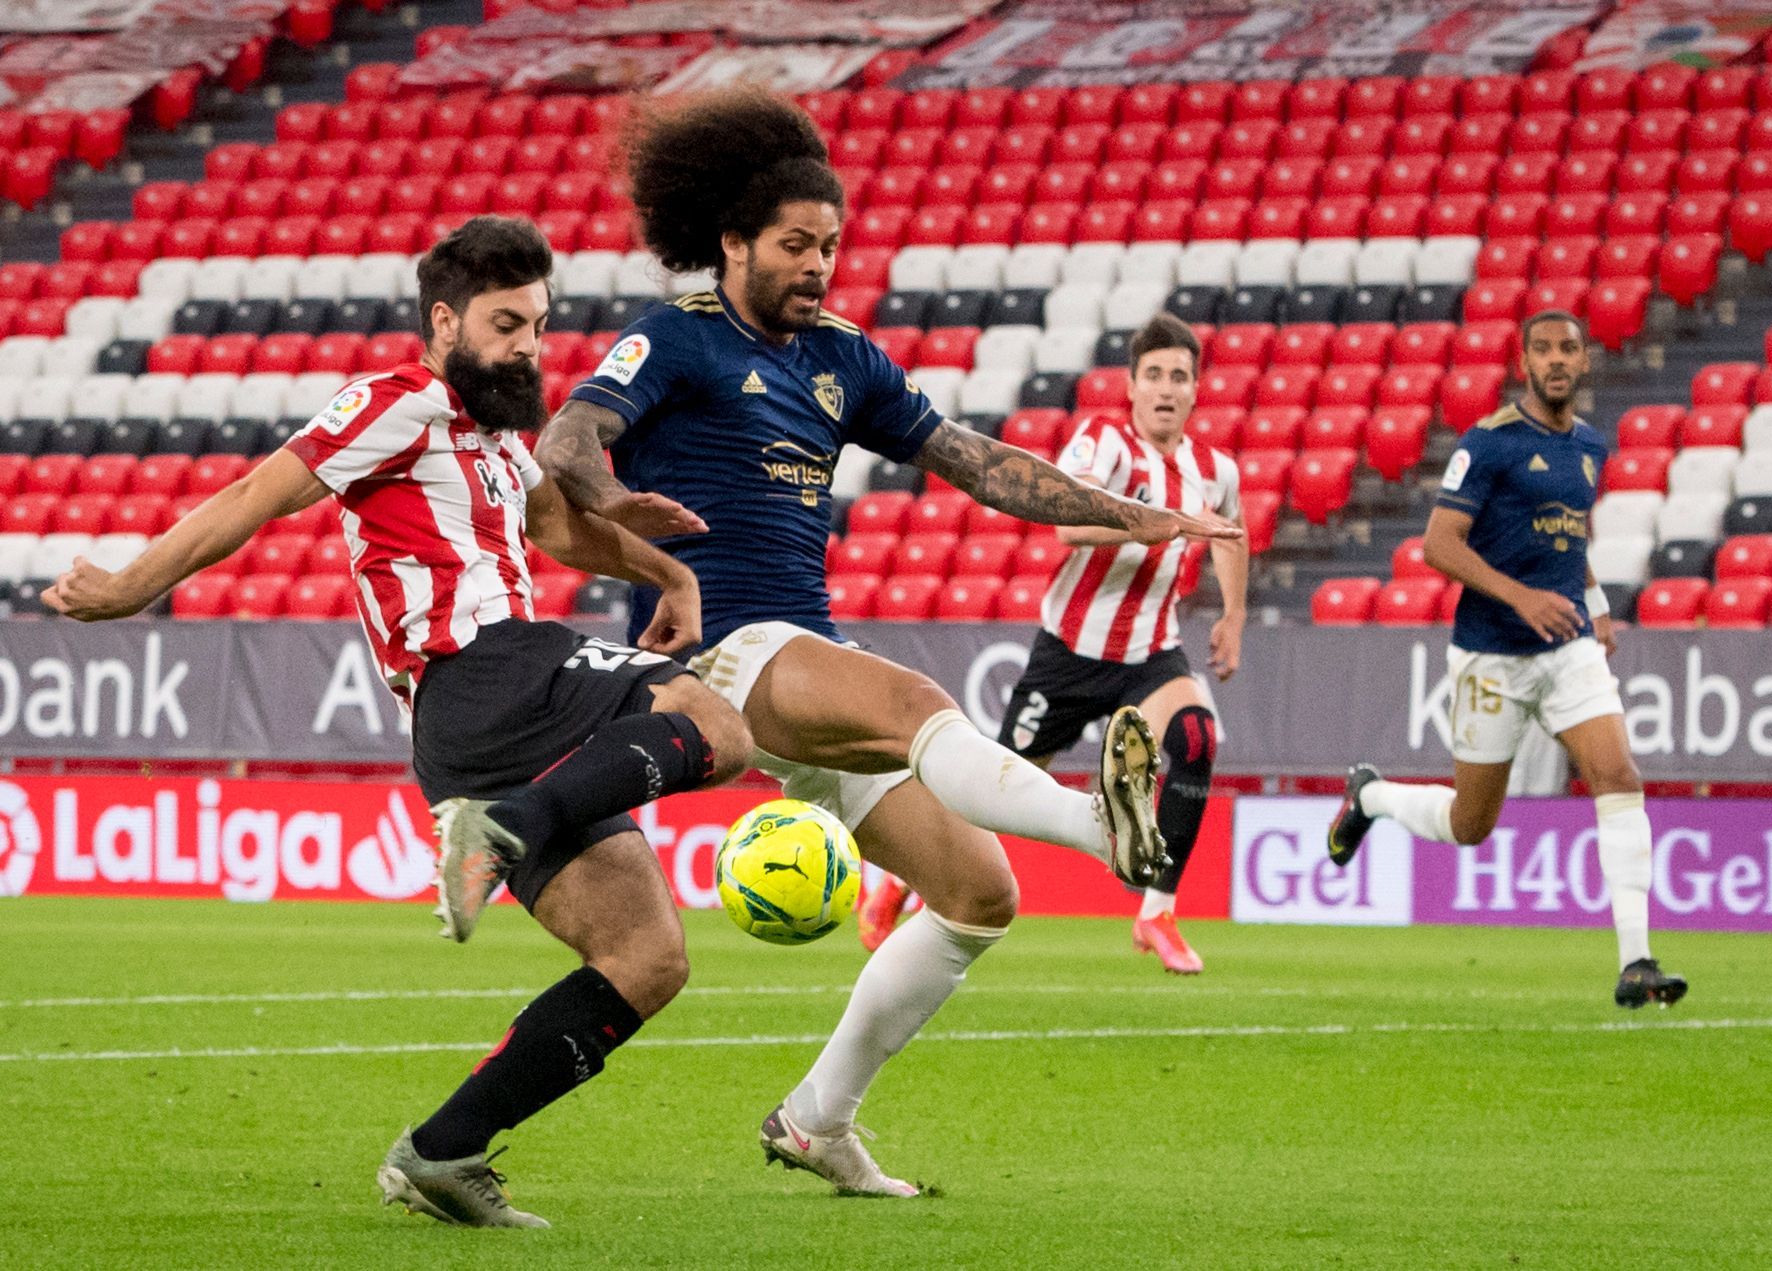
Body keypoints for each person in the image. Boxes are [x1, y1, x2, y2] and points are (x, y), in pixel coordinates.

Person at [535, 87, 1242, 1196]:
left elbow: (975, 460)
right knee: (917, 704)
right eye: (795, 245)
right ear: (731, 242)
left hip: (798, 654)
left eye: (831, 245)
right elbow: (568, 436)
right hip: (715, 650)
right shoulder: (674, 338)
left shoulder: (841, 359)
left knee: (978, 891)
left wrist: (1140, 516)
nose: (818, 264)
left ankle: (819, 1117)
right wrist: (614, 502)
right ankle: (1109, 833)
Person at [43, 216, 756, 1227]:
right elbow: (257, 494)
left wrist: (665, 568)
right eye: (506, 324)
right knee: (716, 723)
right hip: (485, 666)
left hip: (475, 730)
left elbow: (556, 525)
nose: (528, 346)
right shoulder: (395, 404)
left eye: (540, 326)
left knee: (646, 957)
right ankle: (509, 822)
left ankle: (443, 1150)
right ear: (443, 320)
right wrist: (127, 586)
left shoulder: (501, 435)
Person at [857, 313, 1247, 974]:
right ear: (1130, 384)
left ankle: (1157, 912)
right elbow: (1066, 528)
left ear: (1195, 389)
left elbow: (1229, 535)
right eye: (1153, 374)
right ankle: (900, 876)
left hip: (1151, 652)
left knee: (1198, 739)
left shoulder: (1216, 469)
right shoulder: (1105, 442)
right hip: (1069, 652)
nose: (1166, 387)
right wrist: (1149, 526)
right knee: (994, 791)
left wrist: (1233, 613)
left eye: (1179, 376)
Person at [1325, 310, 1686, 1011]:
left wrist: (1597, 600)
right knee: (1471, 824)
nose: (1557, 360)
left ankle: (1638, 959)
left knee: (1616, 772)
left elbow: (1566, 537)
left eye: (1569, 348)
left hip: (1567, 648)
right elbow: (1439, 544)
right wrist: (1520, 597)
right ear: (1525, 363)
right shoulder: (1488, 444)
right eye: (1543, 349)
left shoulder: (1589, 447)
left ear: (1585, 362)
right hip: (1491, 655)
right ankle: (1369, 796)